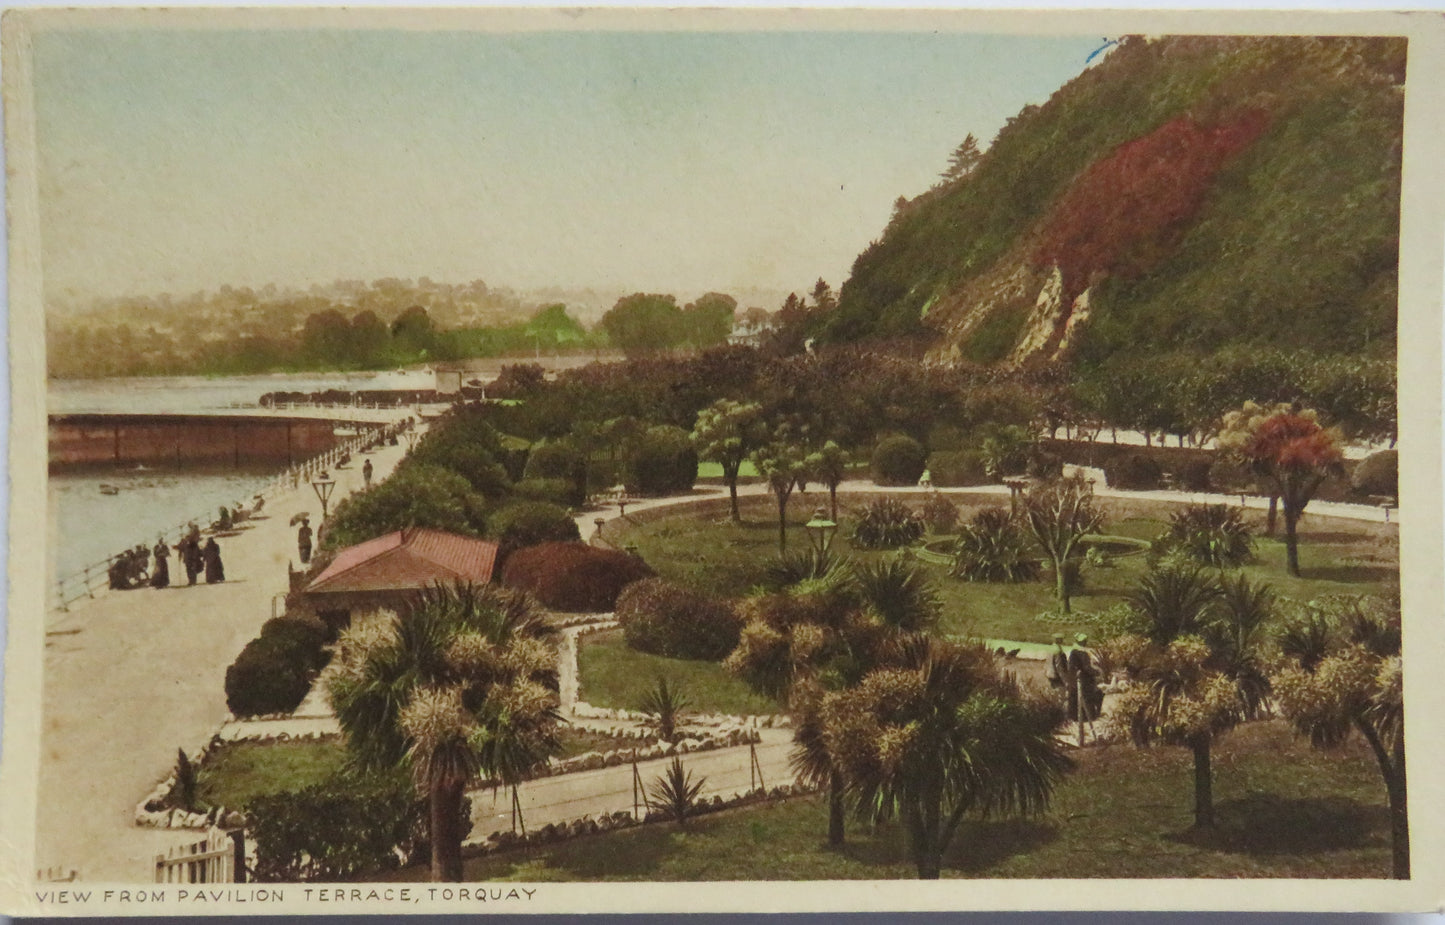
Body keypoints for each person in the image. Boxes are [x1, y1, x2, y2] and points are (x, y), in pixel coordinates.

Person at [1068, 633, 1104, 723]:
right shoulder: (1082, 653)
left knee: (1075, 698)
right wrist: (1097, 672)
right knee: (1089, 697)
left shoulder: (1073, 652)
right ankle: (1089, 716)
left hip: (1074, 679)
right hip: (1084, 680)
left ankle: (1074, 717)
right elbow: (1087, 668)